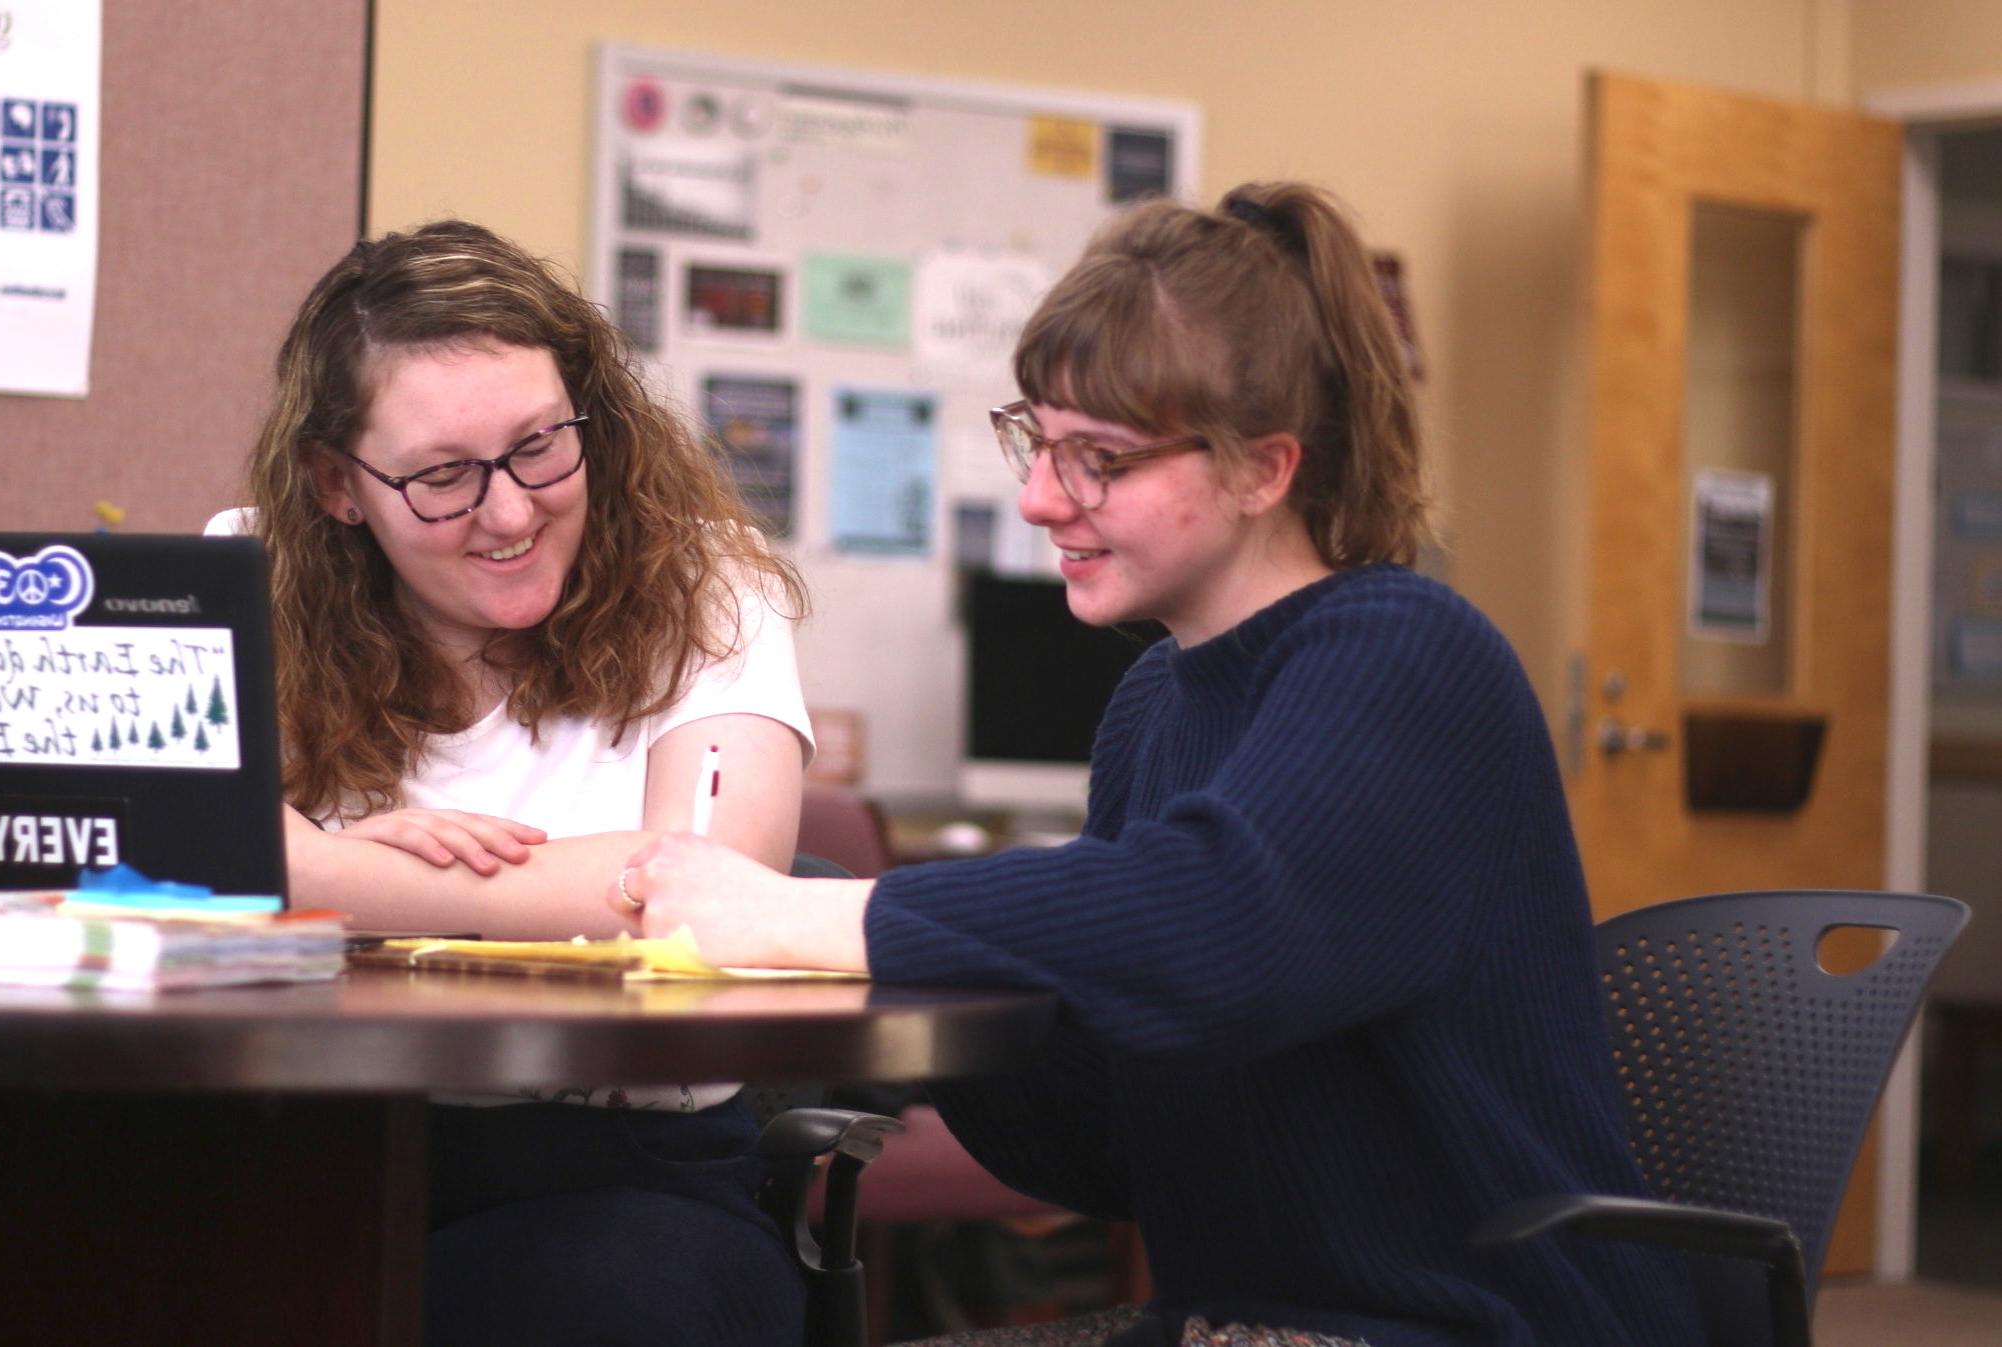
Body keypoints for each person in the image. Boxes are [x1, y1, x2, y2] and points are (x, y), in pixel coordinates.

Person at [615, 185, 1706, 1347]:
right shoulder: (1154, 701)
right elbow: (1113, 1141)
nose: (1039, 498)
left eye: (1101, 460)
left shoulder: (1406, 653)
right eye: (1035, 441)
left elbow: (1222, 921)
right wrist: (885, 998)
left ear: (1260, 469)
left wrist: (814, 923)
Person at [235, 219, 812, 1346]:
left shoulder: (708, 589)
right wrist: (556, 894)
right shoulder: (245, 582)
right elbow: (171, 856)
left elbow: (718, 883)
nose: (508, 512)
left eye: (541, 447)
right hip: (311, 1149)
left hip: (623, 1175)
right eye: (442, 476)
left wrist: (334, 876)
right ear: (336, 484)